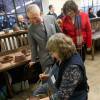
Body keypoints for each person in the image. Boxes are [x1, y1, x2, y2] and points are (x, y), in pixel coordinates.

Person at [41, 33, 89, 100]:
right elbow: (61, 72)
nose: (52, 56)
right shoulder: (63, 57)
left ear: (61, 50)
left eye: (53, 52)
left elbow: (63, 95)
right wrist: (48, 75)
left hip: (75, 97)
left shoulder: (73, 67)